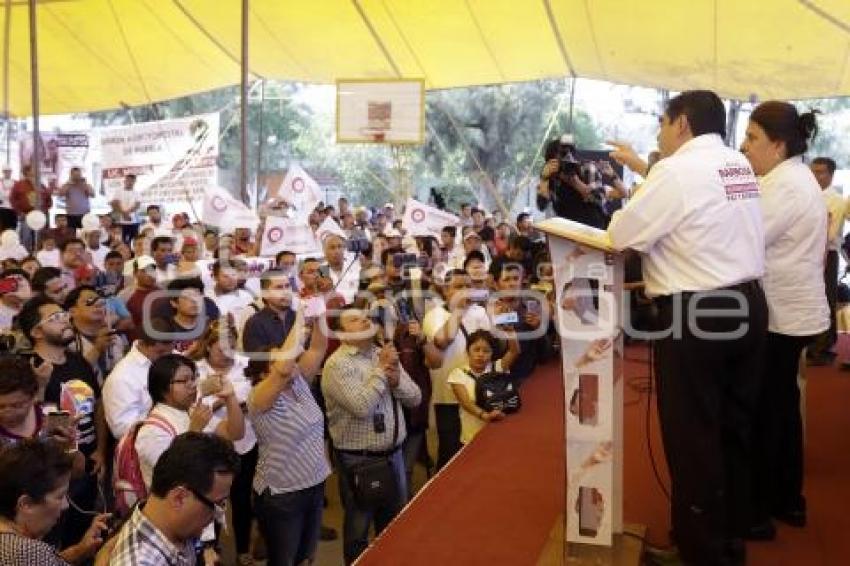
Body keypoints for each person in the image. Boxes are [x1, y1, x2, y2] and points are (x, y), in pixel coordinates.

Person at [606, 90, 767, 565]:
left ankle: (700, 552)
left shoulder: (675, 170)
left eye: (662, 123)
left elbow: (621, 234)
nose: (659, 133)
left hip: (699, 314)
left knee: (693, 435)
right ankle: (731, 536)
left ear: (681, 123)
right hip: (748, 304)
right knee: (733, 428)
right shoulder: (738, 166)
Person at [739, 102, 828, 535]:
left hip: (782, 315)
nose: (744, 146)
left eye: (752, 137)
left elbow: (745, 237)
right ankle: (785, 499)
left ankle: (761, 510)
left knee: (768, 412)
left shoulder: (786, 186)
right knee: (781, 408)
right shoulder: (784, 179)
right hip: (789, 311)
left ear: (778, 145)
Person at [321, 306, 421, 565]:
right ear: (341, 334)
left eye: (366, 317)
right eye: (355, 320)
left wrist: (396, 380)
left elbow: (415, 398)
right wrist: (383, 369)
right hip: (360, 460)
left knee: (394, 526)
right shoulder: (337, 364)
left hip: (394, 455)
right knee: (359, 531)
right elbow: (361, 406)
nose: (365, 321)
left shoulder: (380, 352)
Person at [17, 296, 109, 549]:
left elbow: (97, 404)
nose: (65, 320)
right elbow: (35, 421)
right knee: (56, 541)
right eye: (55, 318)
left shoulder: (78, 361)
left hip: (89, 462)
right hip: (54, 470)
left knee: (86, 532)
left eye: (64, 315)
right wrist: (40, 388)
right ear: (36, 332)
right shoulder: (30, 369)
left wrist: (100, 450)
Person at [247, 307, 330, 566]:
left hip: (314, 484)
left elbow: (318, 347)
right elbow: (283, 369)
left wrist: (319, 309)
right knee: (283, 560)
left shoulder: (300, 382)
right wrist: (301, 316)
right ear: (264, 373)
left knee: (305, 557)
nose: (292, 361)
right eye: (280, 359)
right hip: (282, 494)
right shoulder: (259, 397)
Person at [108, 432, 240, 565]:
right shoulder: (140, 561)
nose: (217, 516)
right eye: (216, 504)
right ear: (179, 498)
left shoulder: (176, 527)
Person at [187, 321, 257, 565]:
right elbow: (190, 405)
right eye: (221, 349)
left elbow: (256, 396)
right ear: (208, 346)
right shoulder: (195, 370)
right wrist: (221, 400)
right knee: (210, 499)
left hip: (244, 442)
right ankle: (211, 546)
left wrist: (231, 402)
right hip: (209, 445)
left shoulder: (245, 365)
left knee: (242, 498)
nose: (227, 354)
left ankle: (243, 549)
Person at [135, 354, 244, 489]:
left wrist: (230, 396)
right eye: (184, 380)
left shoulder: (191, 410)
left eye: (193, 378)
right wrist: (194, 431)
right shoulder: (152, 430)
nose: (193, 385)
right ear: (163, 388)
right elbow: (171, 476)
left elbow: (234, 433)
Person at [0, 439, 110, 566]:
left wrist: (79, 550)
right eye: (60, 496)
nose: (66, 505)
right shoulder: (26, 552)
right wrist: (107, 550)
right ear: (26, 504)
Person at [422, 268, 490, 469]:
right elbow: (442, 341)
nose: (465, 291)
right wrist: (458, 310)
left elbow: (489, 346)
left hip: (478, 393)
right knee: (450, 454)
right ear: (445, 290)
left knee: (478, 450)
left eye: (468, 286)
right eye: (458, 287)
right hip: (448, 397)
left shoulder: (479, 312)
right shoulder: (434, 315)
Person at [102, 318, 176, 439]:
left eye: (170, 351)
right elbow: (121, 430)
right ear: (142, 344)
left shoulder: (169, 355)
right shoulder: (121, 378)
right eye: (160, 352)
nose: (167, 358)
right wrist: (166, 409)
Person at [448, 329, 519, 444]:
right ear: (468, 351)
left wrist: (510, 331)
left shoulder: (498, 367)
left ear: (492, 353)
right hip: (472, 436)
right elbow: (466, 403)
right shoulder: (457, 374)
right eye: (476, 350)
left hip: (501, 432)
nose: (481, 355)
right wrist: (485, 416)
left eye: (486, 351)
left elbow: (514, 351)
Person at [807, 156, 844, 366]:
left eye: (820, 172)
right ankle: (814, 344)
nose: (815, 175)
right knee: (812, 297)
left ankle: (823, 346)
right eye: (813, 171)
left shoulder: (836, 200)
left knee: (826, 298)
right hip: (808, 253)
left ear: (831, 175)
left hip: (827, 254)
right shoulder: (808, 195)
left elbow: (829, 235)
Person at [242, 270, 296, 355]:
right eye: (279, 288)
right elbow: (258, 360)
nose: (286, 292)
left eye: (287, 286)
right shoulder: (255, 324)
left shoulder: (297, 317)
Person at [164, 277, 207, 353]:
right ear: (174, 303)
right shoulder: (164, 329)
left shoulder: (209, 325)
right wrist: (189, 353)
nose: (194, 301)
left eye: (197, 295)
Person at [0, 165, 16, 232]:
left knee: (12, 227)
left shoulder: (15, 182)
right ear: (3, 172)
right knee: (3, 227)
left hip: (13, 208)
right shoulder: (0, 182)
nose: (7, 173)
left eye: (9, 171)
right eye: (6, 171)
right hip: (2, 208)